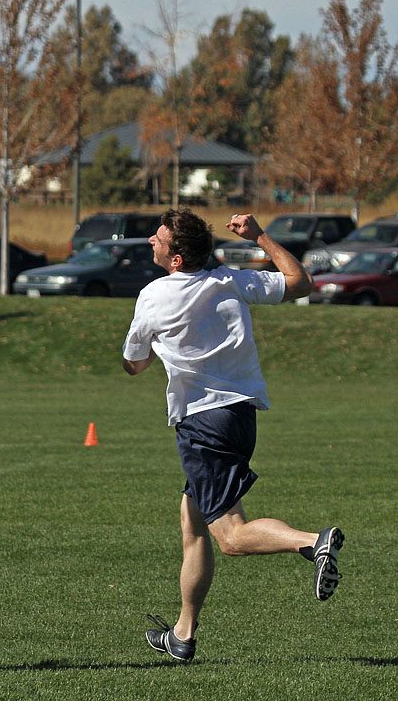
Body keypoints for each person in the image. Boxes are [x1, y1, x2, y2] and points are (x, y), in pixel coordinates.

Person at [121, 209, 344, 662]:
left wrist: (148, 354)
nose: (150, 240)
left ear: (177, 259)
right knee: (192, 519)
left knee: (231, 537)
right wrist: (260, 235)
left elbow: (134, 363)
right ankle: (182, 634)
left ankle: (311, 541)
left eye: (158, 239)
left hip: (202, 425)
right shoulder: (231, 281)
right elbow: (300, 282)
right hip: (241, 418)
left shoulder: (153, 296)